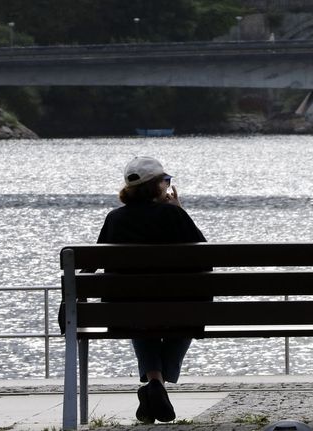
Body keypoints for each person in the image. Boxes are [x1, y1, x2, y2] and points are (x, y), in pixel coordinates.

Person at [96, 156, 207, 424]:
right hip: (181, 311)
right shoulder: (173, 215)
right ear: (157, 186)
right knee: (186, 309)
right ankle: (159, 383)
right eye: (166, 181)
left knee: (138, 310)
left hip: (126, 312)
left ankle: (154, 382)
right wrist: (179, 209)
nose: (168, 186)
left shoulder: (115, 219)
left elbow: (96, 262)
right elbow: (207, 256)